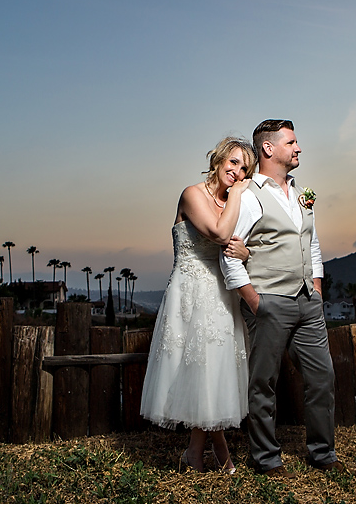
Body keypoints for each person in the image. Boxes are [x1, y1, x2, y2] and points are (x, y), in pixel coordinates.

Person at [220, 119, 344, 478]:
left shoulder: (302, 193)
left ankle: (323, 453)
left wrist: (317, 289)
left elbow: (313, 245)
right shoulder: (247, 195)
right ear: (269, 149)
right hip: (269, 302)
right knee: (264, 384)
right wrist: (256, 302)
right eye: (291, 142)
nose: (299, 148)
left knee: (323, 377)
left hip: (308, 302)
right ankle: (266, 459)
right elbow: (229, 253)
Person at [141, 136, 257, 473]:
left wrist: (247, 253)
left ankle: (202, 455)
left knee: (213, 373)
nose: (237, 172)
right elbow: (221, 235)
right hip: (190, 294)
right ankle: (212, 456)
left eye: (244, 169)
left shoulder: (230, 202)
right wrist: (238, 193)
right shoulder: (192, 195)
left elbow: (238, 246)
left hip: (222, 296)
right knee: (199, 370)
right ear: (219, 159)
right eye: (233, 163)